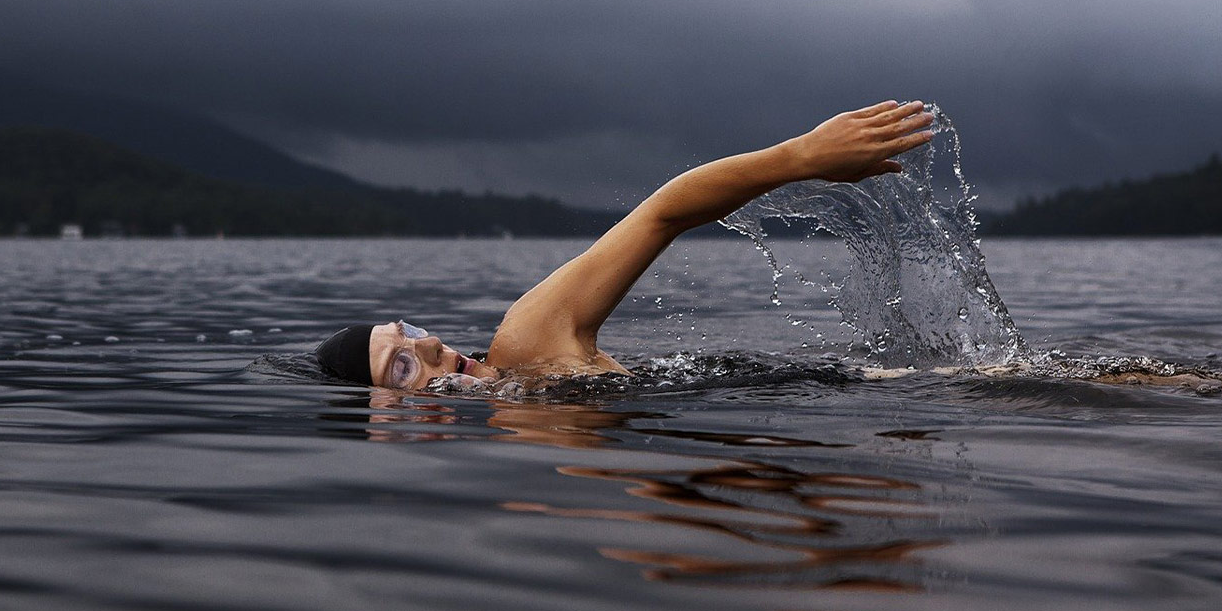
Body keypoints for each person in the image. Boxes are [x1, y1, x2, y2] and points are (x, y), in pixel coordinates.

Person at [315, 100, 934, 390]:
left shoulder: (527, 343)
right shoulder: (523, 457)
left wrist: (800, 158)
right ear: (385, 422)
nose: (430, 344)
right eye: (401, 365)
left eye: (410, 330)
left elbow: (661, 214)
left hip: (898, 388)